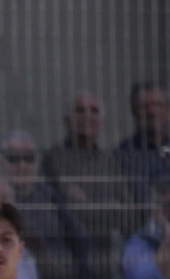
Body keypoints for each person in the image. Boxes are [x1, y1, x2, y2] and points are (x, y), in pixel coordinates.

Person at [0, 129, 97, 279]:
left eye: (28, 159)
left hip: (54, 278)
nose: (22, 166)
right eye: (14, 159)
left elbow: (78, 238)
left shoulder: (49, 196)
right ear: (2, 163)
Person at [40, 91, 132, 240]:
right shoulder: (54, 158)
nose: (87, 116)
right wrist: (108, 206)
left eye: (94, 111)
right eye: (80, 111)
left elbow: (126, 211)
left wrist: (86, 202)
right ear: (67, 120)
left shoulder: (108, 160)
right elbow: (72, 210)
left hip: (106, 246)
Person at [115, 81, 170, 202]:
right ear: (134, 113)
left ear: (168, 111)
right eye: (144, 107)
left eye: (157, 105)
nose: (151, 112)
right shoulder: (122, 154)